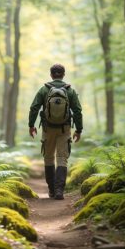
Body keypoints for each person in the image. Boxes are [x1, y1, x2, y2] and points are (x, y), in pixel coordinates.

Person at [28, 64, 83, 200]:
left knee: (48, 158)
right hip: (64, 130)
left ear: (51, 75)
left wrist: (31, 125)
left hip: (48, 129)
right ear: (63, 74)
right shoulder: (70, 91)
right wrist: (79, 130)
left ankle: (51, 190)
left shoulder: (44, 90)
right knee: (62, 159)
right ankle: (59, 191)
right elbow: (77, 111)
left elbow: (34, 108)